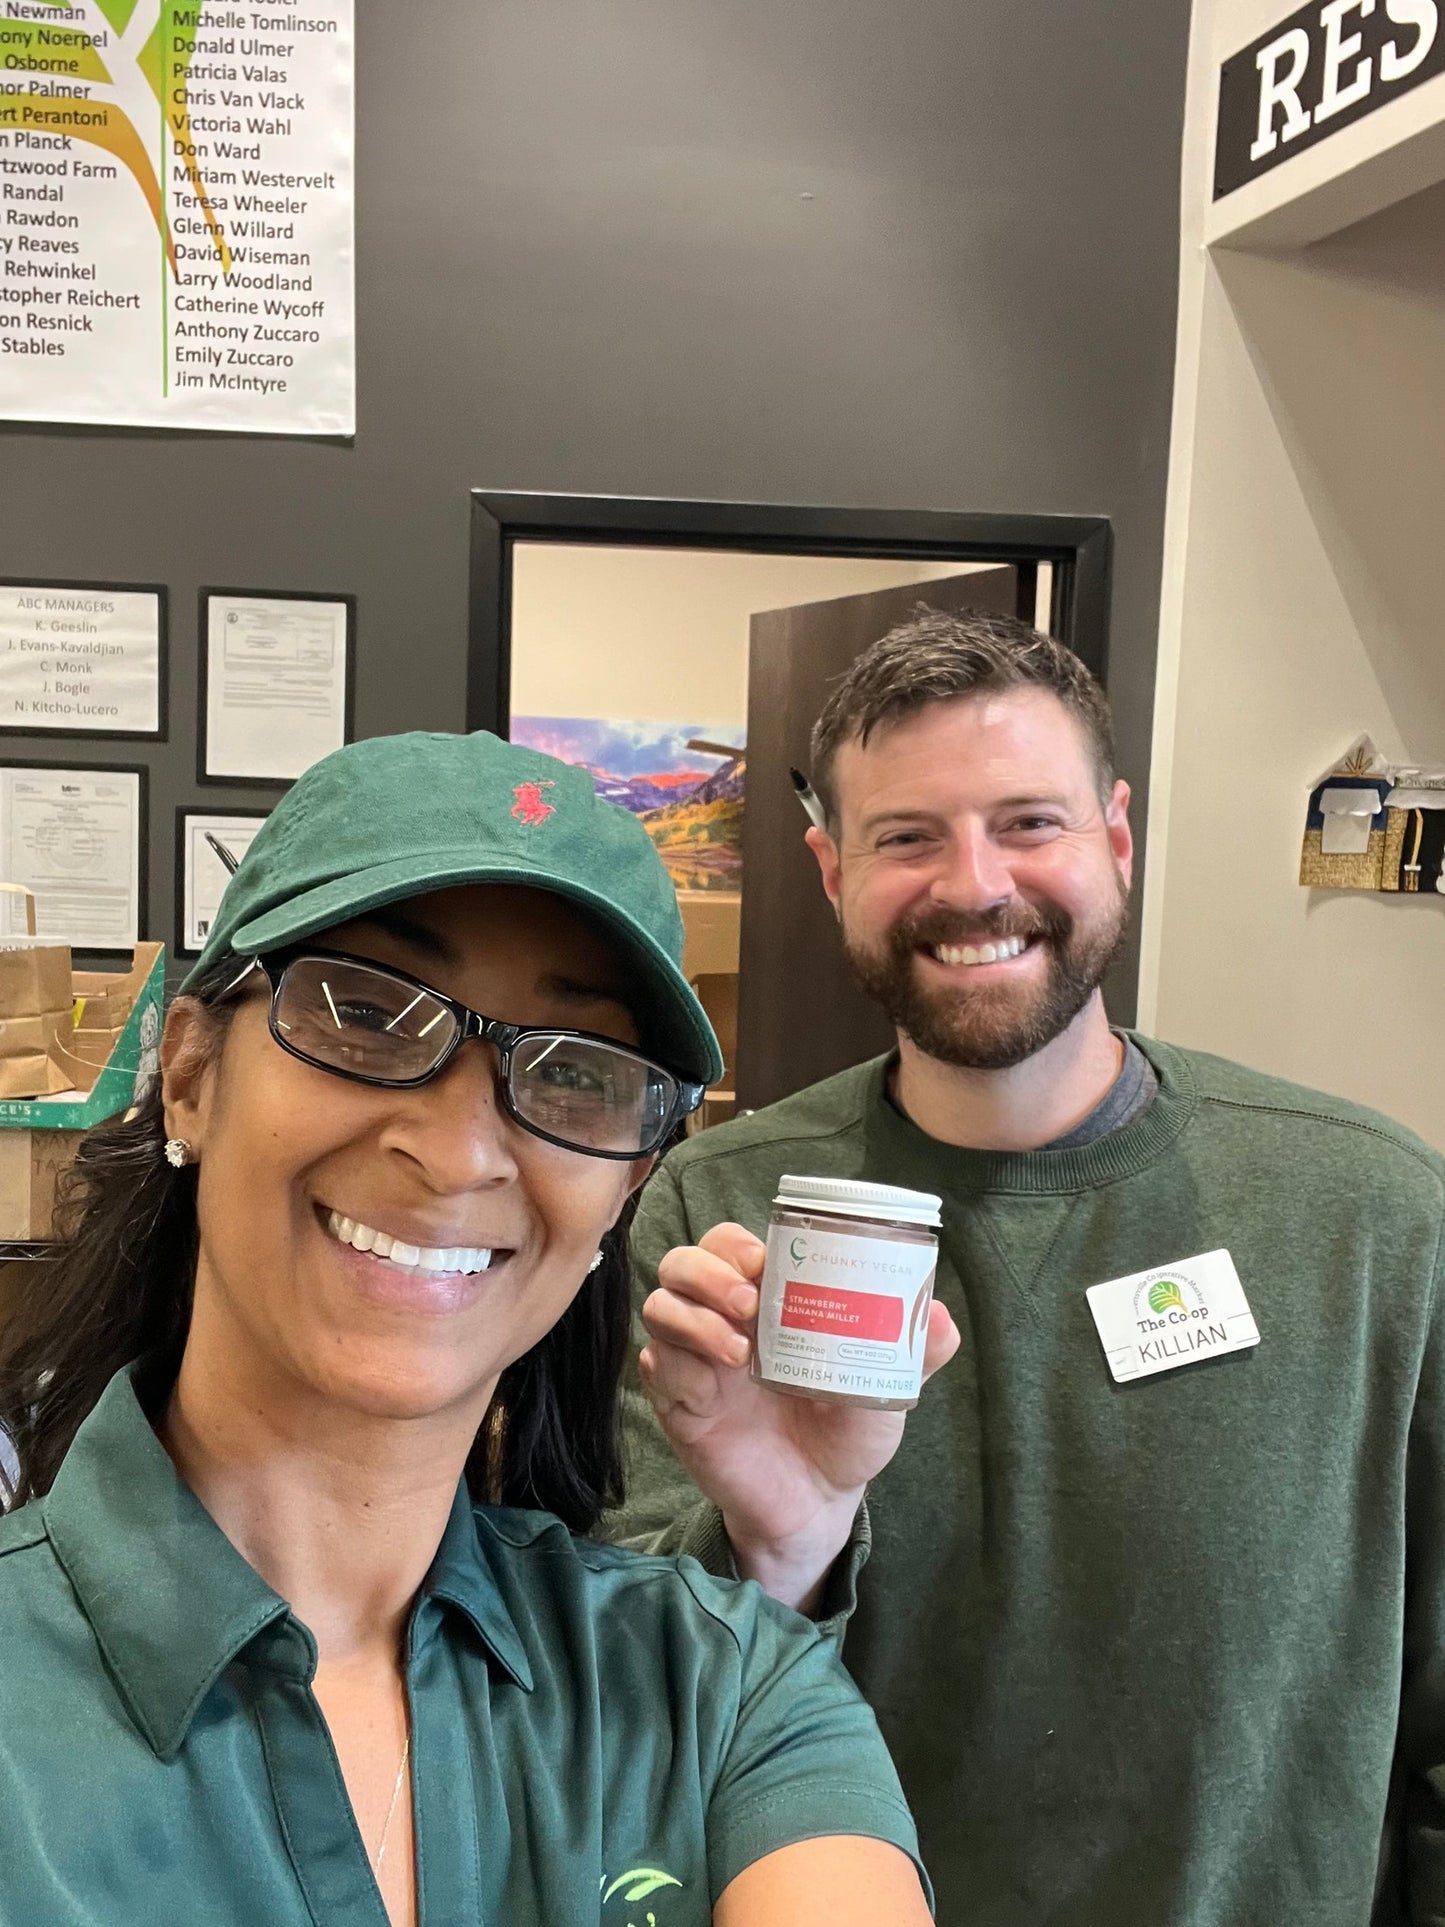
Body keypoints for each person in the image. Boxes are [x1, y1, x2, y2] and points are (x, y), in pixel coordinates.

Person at [0, 730, 932, 1927]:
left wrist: (793, 1537)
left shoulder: (720, 1689)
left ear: (625, 1189)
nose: (453, 1150)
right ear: (188, 1071)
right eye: (364, 1012)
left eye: (576, 1071)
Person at [613, 608, 1445, 1927]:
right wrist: (781, 1540)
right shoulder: (713, 1214)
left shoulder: (1369, 1214)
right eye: (906, 836)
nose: (974, 881)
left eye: (1028, 822)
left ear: (1115, 838)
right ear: (830, 869)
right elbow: (634, 1702)